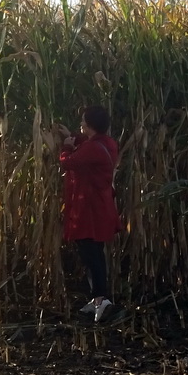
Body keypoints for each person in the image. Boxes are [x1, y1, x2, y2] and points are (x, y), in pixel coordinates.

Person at [56, 105, 122, 323]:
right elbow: (87, 146)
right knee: (95, 252)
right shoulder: (107, 143)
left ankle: (101, 299)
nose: (81, 124)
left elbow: (69, 162)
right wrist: (71, 135)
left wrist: (65, 147)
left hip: (90, 209)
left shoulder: (93, 149)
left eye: (83, 122)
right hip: (100, 206)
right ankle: (98, 300)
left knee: (90, 253)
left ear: (90, 125)